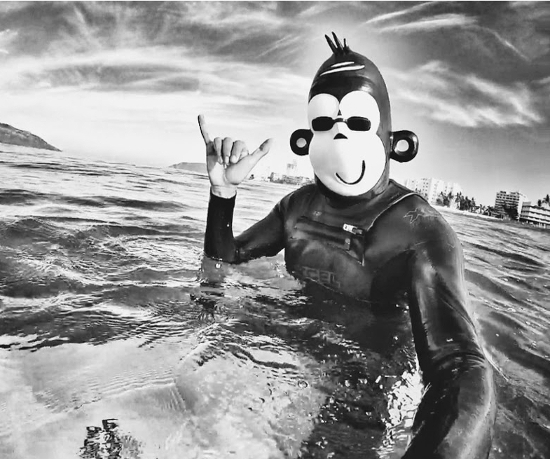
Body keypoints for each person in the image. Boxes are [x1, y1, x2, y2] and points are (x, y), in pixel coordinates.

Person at [198, 33, 496, 459]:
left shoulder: (421, 231)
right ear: (305, 137)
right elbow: (224, 260)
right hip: (286, 339)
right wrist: (222, 194)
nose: (339, 134)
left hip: (363, 374)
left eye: (357, 123)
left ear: (394, 140)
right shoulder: (296, 207)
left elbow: (460, 366)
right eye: (324, 123)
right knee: (192, 376)